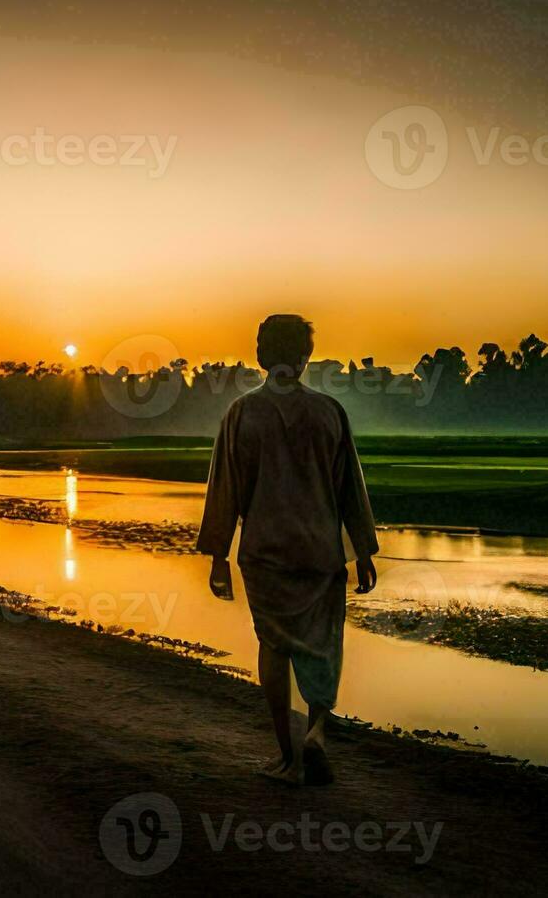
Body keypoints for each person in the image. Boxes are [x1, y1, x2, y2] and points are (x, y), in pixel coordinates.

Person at [197, 314, 378, 786]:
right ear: (304, 358)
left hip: (266, 554)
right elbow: (350, 489)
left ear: (261, 355)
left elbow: (225, 489)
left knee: (273, 646)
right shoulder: (329, 412)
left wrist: (218, 554)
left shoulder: (242, 413)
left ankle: (286, 756)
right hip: (320, 554)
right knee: (324, 647)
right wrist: (363, 550)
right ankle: (316, 730)